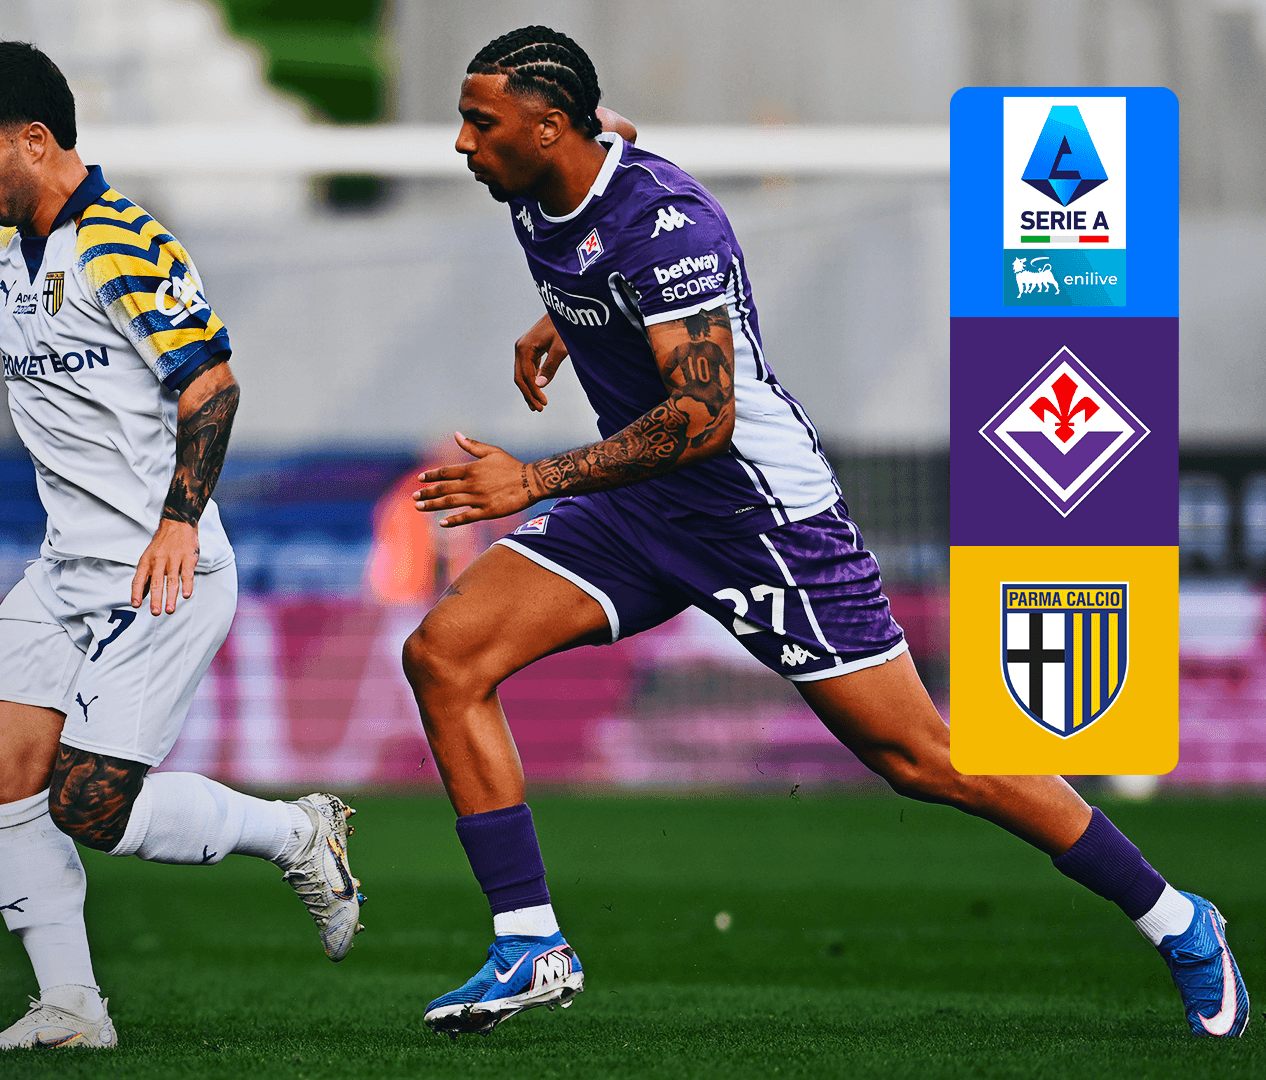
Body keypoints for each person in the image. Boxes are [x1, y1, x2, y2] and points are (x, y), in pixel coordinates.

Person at [402, 25, 1247, 1039]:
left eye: (480, 122)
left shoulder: (665, 230)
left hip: (756, 517)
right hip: (641, 506)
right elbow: (612, 140)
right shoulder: (546, 171)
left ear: (547, 128)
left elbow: (702, 418)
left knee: (925, 759)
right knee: (445, 656)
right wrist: (573, 315)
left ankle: (1178, 919)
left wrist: (532, 479)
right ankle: (530, 942)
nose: (462, 143)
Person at [0, 39, 364, 1051]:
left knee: (90, 806)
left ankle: (298, 832)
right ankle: (72, 1008)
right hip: (66, 567)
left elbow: (213, 386)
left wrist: (179, 522)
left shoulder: (123, 242)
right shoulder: (13, 253)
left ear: (35, 140)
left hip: (161, 571)